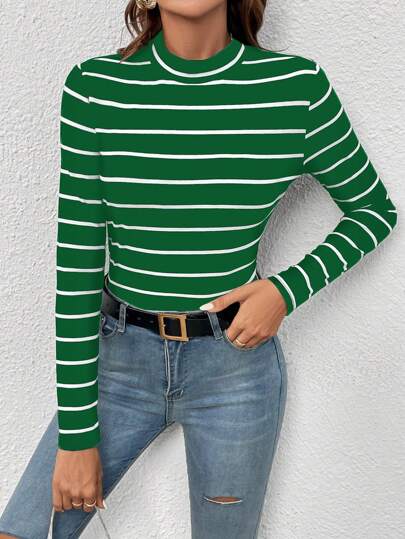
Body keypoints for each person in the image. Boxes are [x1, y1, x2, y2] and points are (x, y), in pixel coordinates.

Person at [0, 0, 398, 537]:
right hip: (117, 364)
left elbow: (374, 210)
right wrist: (75, 437)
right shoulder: (96, 88)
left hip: (234, 369)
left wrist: (284, 291)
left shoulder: (296, 89)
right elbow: (76, 266)